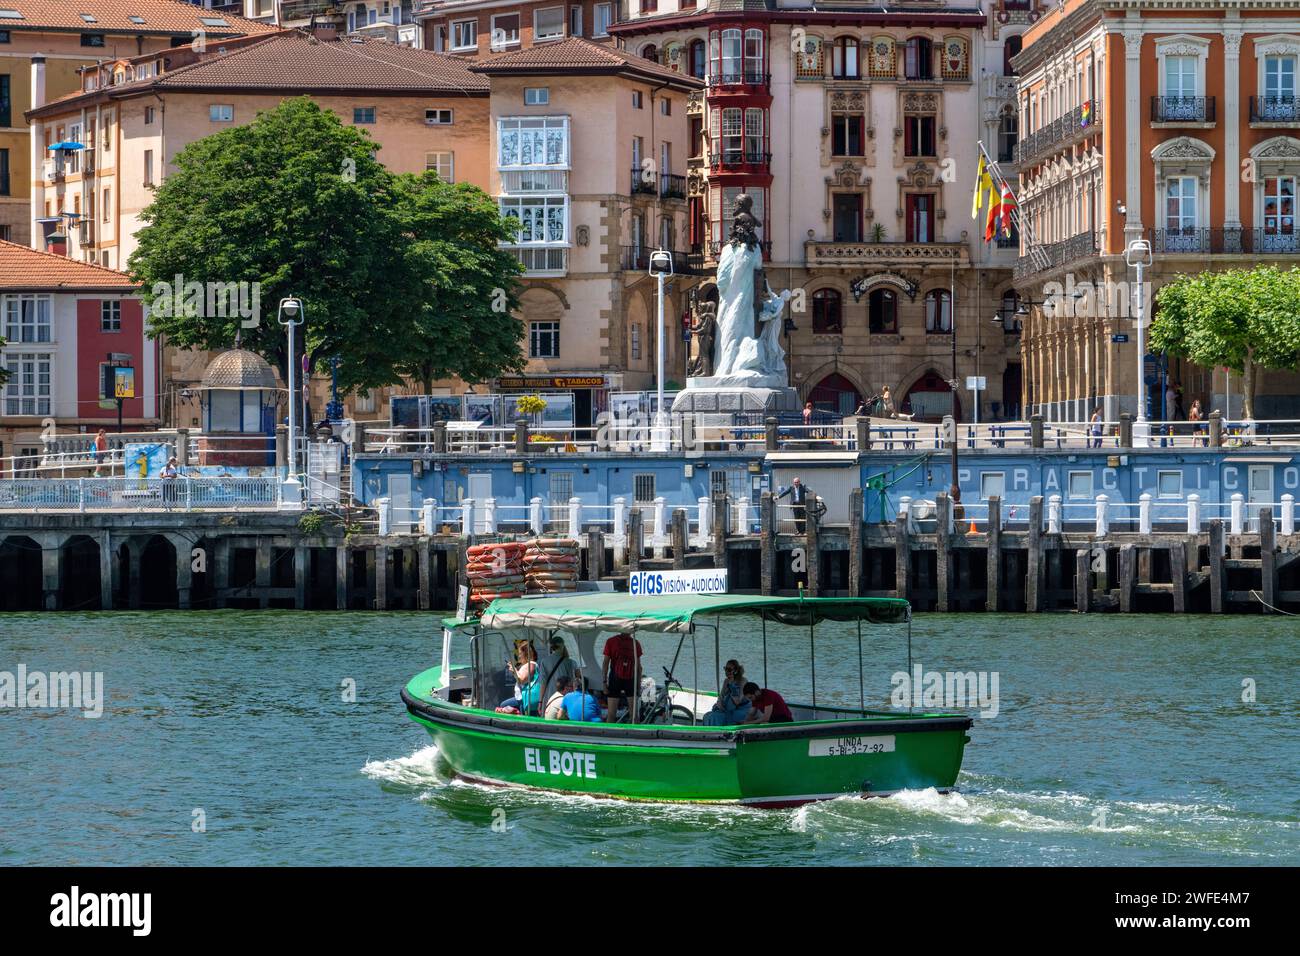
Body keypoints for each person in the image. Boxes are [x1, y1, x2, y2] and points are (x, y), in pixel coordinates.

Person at [602, 631, 643, 722]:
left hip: (614, 678)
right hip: (631, 679)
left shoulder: (611, 641)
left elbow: (605, 664)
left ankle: (609, 734)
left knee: (611, 714)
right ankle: (636, 734)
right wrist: (638, 686)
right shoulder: (635, 643)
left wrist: (604, 683)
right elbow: (639, 667)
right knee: (634, 715)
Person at [704, 660, 751, 726]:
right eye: (725, 669)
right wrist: (720, 705)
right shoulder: (726, 681)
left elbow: (738, 701)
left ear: (736, 671)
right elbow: (721, 696)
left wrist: (732, 686)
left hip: (741, 709)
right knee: (708, 715)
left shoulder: (743, 681)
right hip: (727, 709)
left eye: (729, 669)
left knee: (716, 717)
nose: (726, 672)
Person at [496, 642, 538, 715]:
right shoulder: (528, 665)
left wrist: (514, 670)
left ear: (526, 654)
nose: (518, 656)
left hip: (524, 698)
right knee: (504, 705)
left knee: (503, 706)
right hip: (521, 698)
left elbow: (521, 679)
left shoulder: (531, 664)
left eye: (520, 653)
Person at [537, 634, 578, 706]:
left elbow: (543, 683)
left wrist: (540, 701)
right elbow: (574, 681)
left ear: (551, 647)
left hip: (550, 696)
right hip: (565, 697)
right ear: (563, 646)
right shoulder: (570, 662)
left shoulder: (544, 661)